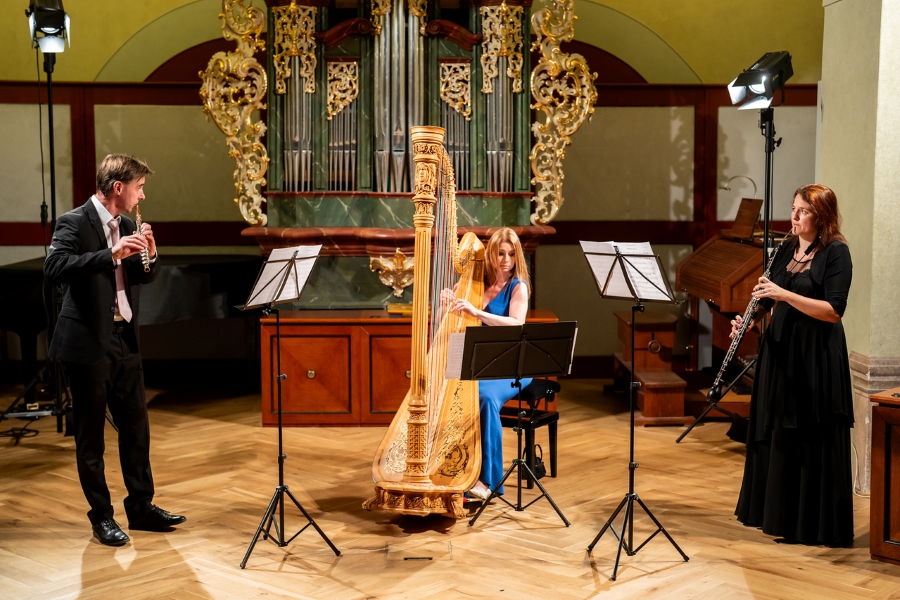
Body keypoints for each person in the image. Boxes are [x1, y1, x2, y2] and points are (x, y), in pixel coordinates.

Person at [44, 154, 186, 546]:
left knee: (136, 428)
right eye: (139, 187)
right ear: (119, 188)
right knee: (91, 436)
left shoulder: (127, 223)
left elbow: (143, 276)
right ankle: (102, 517)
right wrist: (111, 254)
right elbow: (54, 267)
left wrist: (149, 254)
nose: (143, 194)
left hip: (126, 339)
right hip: (88, 343)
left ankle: (140, 507)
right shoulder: (73, 222)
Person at [732, 183, 853, 547]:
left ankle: (812, 525)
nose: (794, 216)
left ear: (822, 216)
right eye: (794, 208)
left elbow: (833, 311)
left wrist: (783, 294)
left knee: (809, 435)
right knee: (779, 431)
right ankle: (778, 517)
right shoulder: (786, 247)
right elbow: (767, 301)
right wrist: (748, 321)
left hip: (815, 357)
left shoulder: (836, 254)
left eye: (803, 211)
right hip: (780, 354)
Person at [444, 227, 531, 500]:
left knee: (484, 398)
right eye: (500, 253)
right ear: (491, 254)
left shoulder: (519, 287)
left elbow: (517, 323)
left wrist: (477, 312)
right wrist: (447, 301)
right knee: (450, 390)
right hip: (481, 361)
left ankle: (488, 481)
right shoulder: (473, 283)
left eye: (511, 254)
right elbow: (452, 317)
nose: (506, 260)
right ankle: (455, 467)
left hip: (511, 365)